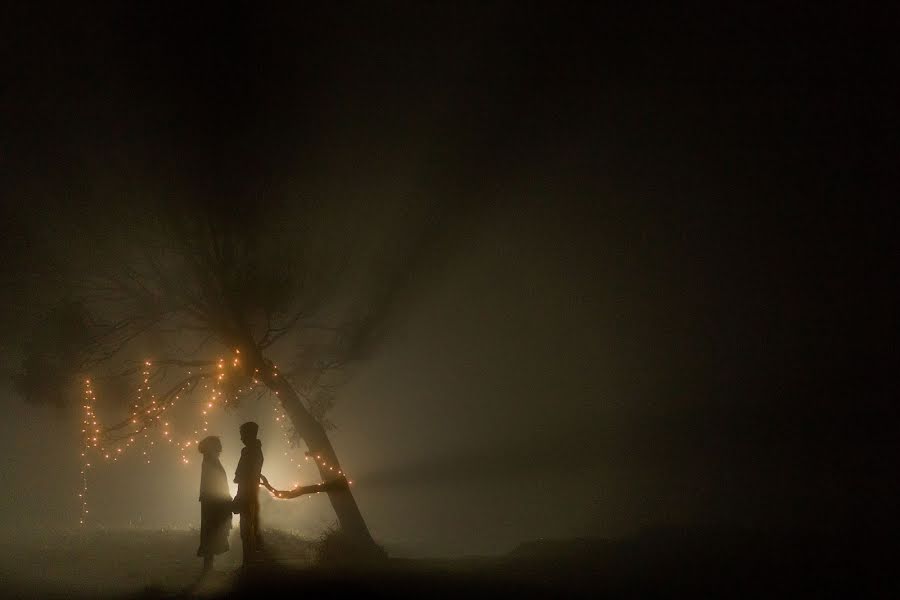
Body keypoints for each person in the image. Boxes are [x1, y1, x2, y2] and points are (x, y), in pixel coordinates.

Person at [196, 436, 233, 574]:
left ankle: (208, 566)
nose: (220, 447)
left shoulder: (210, 460)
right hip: (213, 501)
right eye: (217, 444)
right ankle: (208, 567)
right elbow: (215, 482)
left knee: (210, 531)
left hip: (212, 501)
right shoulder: (210, 461)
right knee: (211, 531)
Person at [233, 421, 264, 567]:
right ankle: (249, 562)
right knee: (249, 526)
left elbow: (241, 474)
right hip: (251, 492)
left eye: (242, 435)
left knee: (246, 528)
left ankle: (248, 563)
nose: (241, 439)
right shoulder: (256, 451)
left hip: (247, 492)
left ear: (249, 434)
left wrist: (240, 495)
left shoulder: (248, 452)